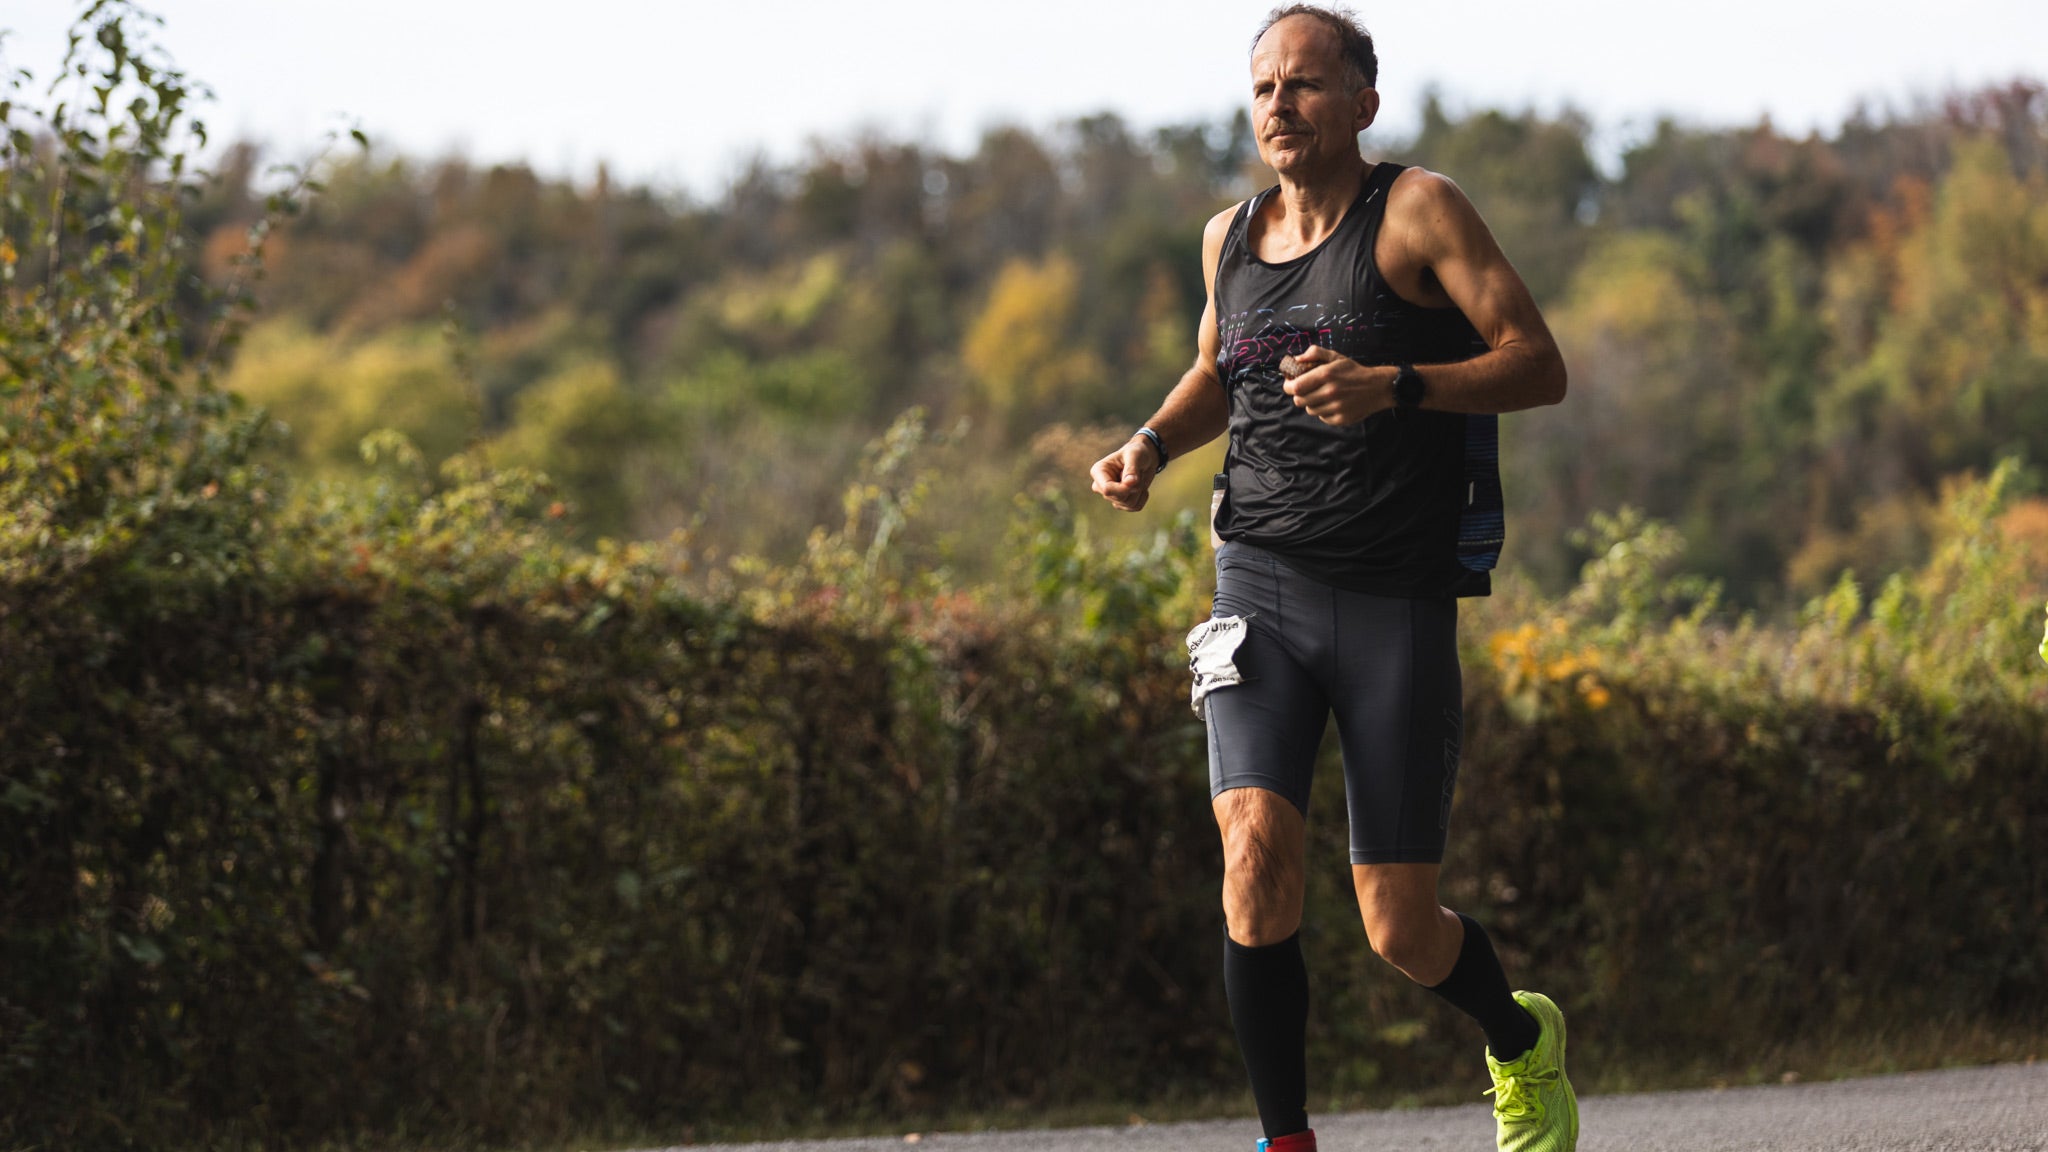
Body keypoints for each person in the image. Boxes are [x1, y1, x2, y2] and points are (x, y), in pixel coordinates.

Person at [1088, 6, 1574, 1151]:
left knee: (1397, 928)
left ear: (1361, 100)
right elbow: (1218, 369)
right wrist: (1150, 445)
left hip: (1390, 597)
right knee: (1253, 861)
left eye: (1305, 85)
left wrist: (1394, 385)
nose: (1278, 106)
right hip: (1255, 586)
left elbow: (1536, 363)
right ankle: (1285, 1141)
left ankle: (1516, 1038)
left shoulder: (1416, 211)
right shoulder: (1226, 236)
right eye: (1262, 87)